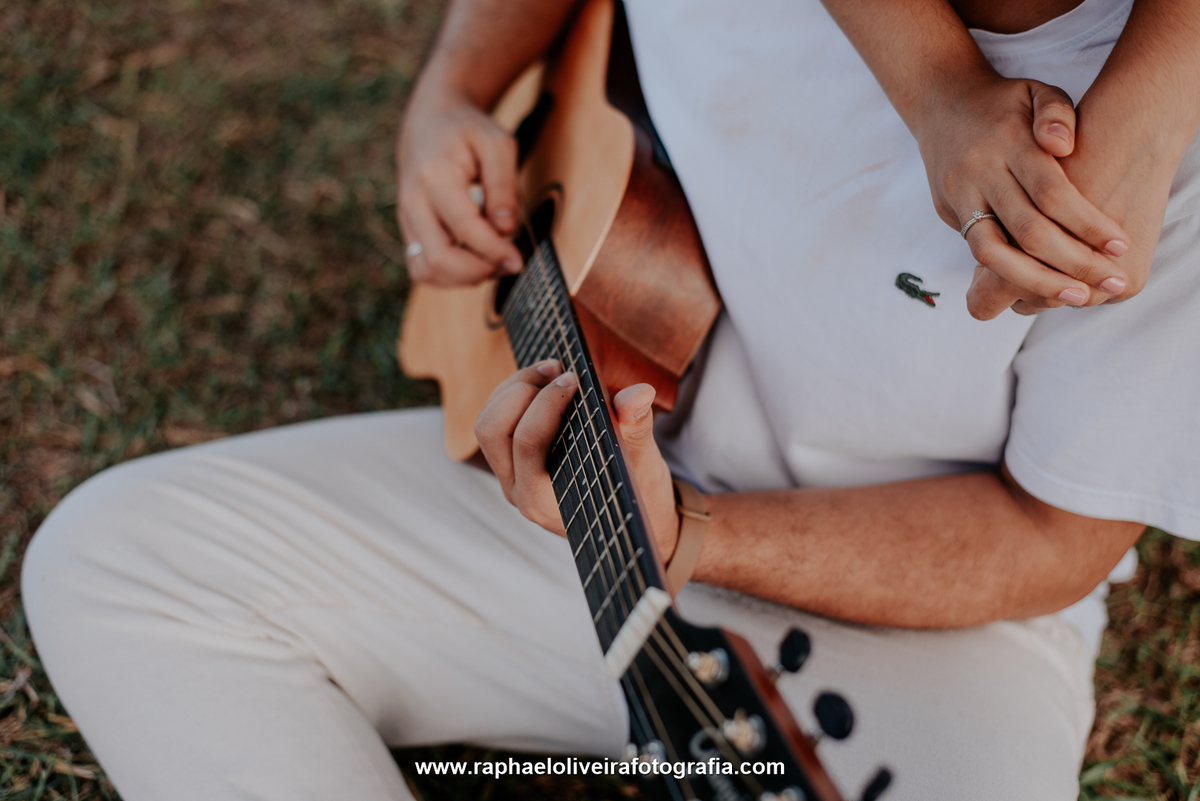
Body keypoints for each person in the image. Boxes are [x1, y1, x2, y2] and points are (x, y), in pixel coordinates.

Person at [19, 0, 1200, 799]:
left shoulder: (1157, 156)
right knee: (114, 563)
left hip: (924, 622)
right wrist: (453, 93)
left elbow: (1053, 538)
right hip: (563, 499)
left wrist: (695, 535)